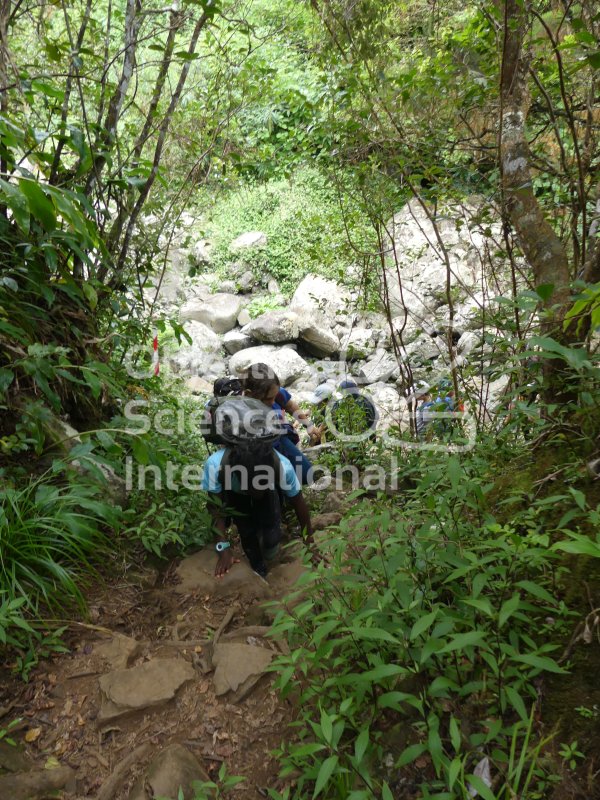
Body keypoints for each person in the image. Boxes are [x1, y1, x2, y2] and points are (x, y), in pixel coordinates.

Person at [202, 397, 313, 578]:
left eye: (260, 484)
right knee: (246, 531)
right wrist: (223, 550)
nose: (256, 492)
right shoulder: (216, 465)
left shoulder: (282, 466)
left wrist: (310, 540)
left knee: (271, 533)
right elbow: (216, 511)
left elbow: (298, 502)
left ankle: (269, 555)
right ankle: (258, 568)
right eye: (251, 486)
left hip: (268, 494)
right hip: (236, 495)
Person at [243, 363, 319, 485]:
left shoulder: (273, 392)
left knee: (307, 475)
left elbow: (290, 406)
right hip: (255, 447)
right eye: (268, 399)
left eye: (275, 396)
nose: (273, 401)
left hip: (278, 437)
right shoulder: (240, 410)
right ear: (249, 394)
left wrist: (308, 425)